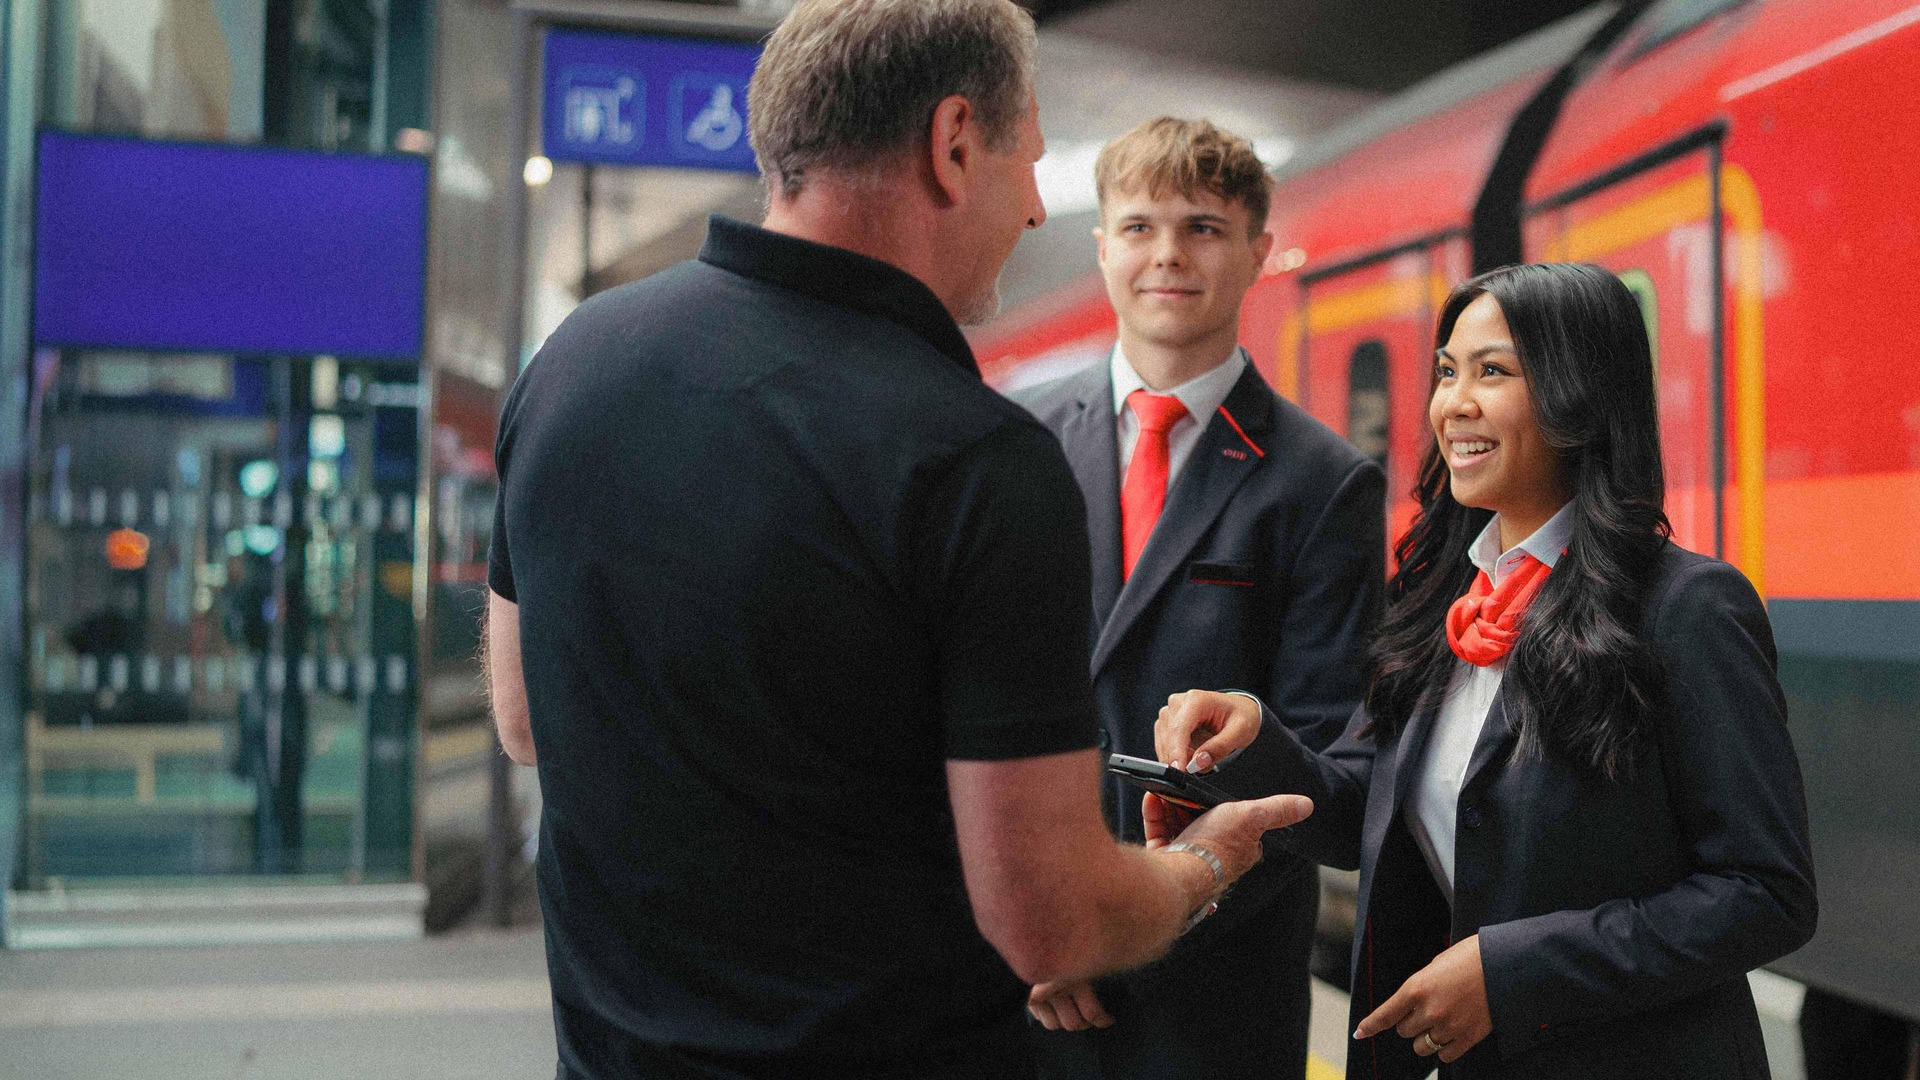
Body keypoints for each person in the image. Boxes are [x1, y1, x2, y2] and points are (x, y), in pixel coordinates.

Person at [482, 2, 1309, 1078]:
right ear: (954, 143)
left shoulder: (572, 363)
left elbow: (522, 717)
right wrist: (1202, 865)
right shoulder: (974, 458)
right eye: (1029, 161)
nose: (1026, 208)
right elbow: (1048, 921)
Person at [1154, 262, 1818, 1079]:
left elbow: (1765, 893)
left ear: (1580, 394)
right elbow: (1371, 811)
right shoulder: (1449, 603)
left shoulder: (1687, 609)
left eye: (1492, 372)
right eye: (1445, 373)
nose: (1452, 404)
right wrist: (1252, 746)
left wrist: (1511, 973)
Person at [1010, 117, 1383, 1079]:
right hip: (1030, 983)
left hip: (1218, 992)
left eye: (1204, 228)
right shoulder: (1016, 448)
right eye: (1138, 227)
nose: (1167, 254)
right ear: (1101, 249)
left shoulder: (1322, 483)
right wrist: (1037, 932)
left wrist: (1126, 924)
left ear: (1259, 251)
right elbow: (953, 713)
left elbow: (1325, 775)